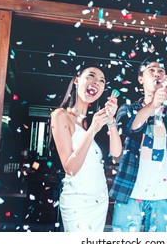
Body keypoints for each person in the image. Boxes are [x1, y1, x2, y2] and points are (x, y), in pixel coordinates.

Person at [109, 59, 167, 232]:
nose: (157, 73)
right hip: (130, 193)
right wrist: (153, 104)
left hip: (164, 195)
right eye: (151, 70)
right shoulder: (128, 109)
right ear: (141, 79)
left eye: (161, 71)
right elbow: (131, 128)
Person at [50, 65, 122, 232]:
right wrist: (93, 130)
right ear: (76, 80)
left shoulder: (94, 120)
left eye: (102, 81)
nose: (96, 82)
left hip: (99, 200)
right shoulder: (60, 116)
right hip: (77, 202)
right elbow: (70, 168)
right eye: (91, 76)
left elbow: (117, 154)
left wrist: (111, 121)